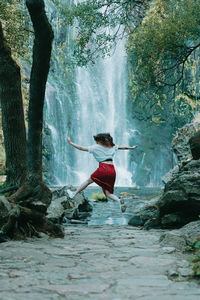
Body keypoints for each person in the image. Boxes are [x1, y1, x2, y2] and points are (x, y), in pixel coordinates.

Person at [67, 133, 137, 212]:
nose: (96, 142)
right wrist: (131, 147)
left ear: (100, 141)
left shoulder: (95, 147)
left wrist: (71, 143)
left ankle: (73, 193)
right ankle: (119, 201)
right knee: (108, 193)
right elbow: (123, 147)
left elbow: (81, 148)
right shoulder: (112, 146)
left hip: (104, 168)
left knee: (88, 181)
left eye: (96, 141)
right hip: (112, 170)